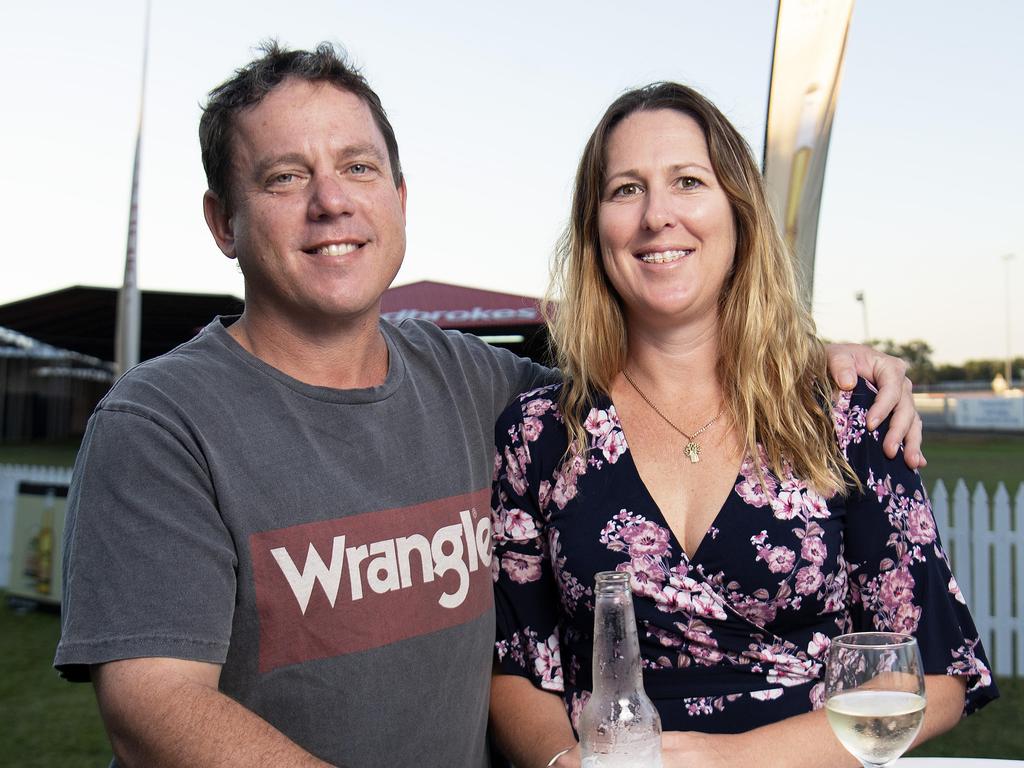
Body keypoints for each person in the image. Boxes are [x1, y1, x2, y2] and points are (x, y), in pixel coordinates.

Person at [54, 43, 923, 768]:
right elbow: (154, 704)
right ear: (223, 222)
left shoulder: (481, 387)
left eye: (359, 166)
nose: (332, 201)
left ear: (400, 198)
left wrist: (808, 361)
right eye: (285, 177)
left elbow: (659, 388)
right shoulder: (160, 425)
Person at [489, 82, 997, 768]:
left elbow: (937, 677)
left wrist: (727, 760)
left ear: (738, 211)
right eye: (625, 190)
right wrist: (563, 764)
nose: (657, 216)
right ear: (593, 227)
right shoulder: (540, 433)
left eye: (688, 181)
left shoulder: (843, 411)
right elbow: (517, 666)